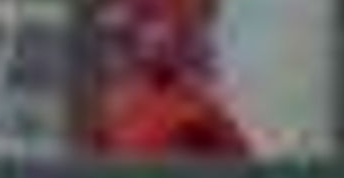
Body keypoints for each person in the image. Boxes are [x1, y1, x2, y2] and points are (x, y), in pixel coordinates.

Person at [91, 16, 253, 160]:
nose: (156, 51)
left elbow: (240, 157)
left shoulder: (194, 104)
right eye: (148, 45)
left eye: (163, 46)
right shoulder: (118, 104)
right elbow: (98, 153)